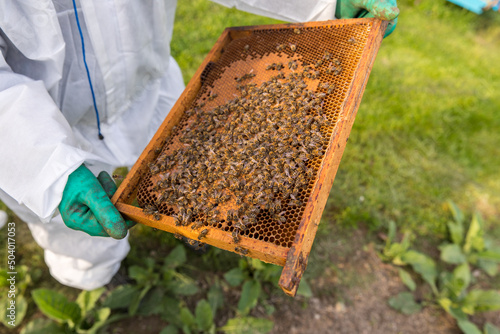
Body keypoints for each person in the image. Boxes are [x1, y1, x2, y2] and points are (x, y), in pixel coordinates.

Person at [0, 0, 398, 290]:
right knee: (82, 241)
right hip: (39, 126)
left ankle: (201, 227)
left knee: (184, 177)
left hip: (151, 96)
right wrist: (44, 164)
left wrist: (323, 1)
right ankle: (95, 282)